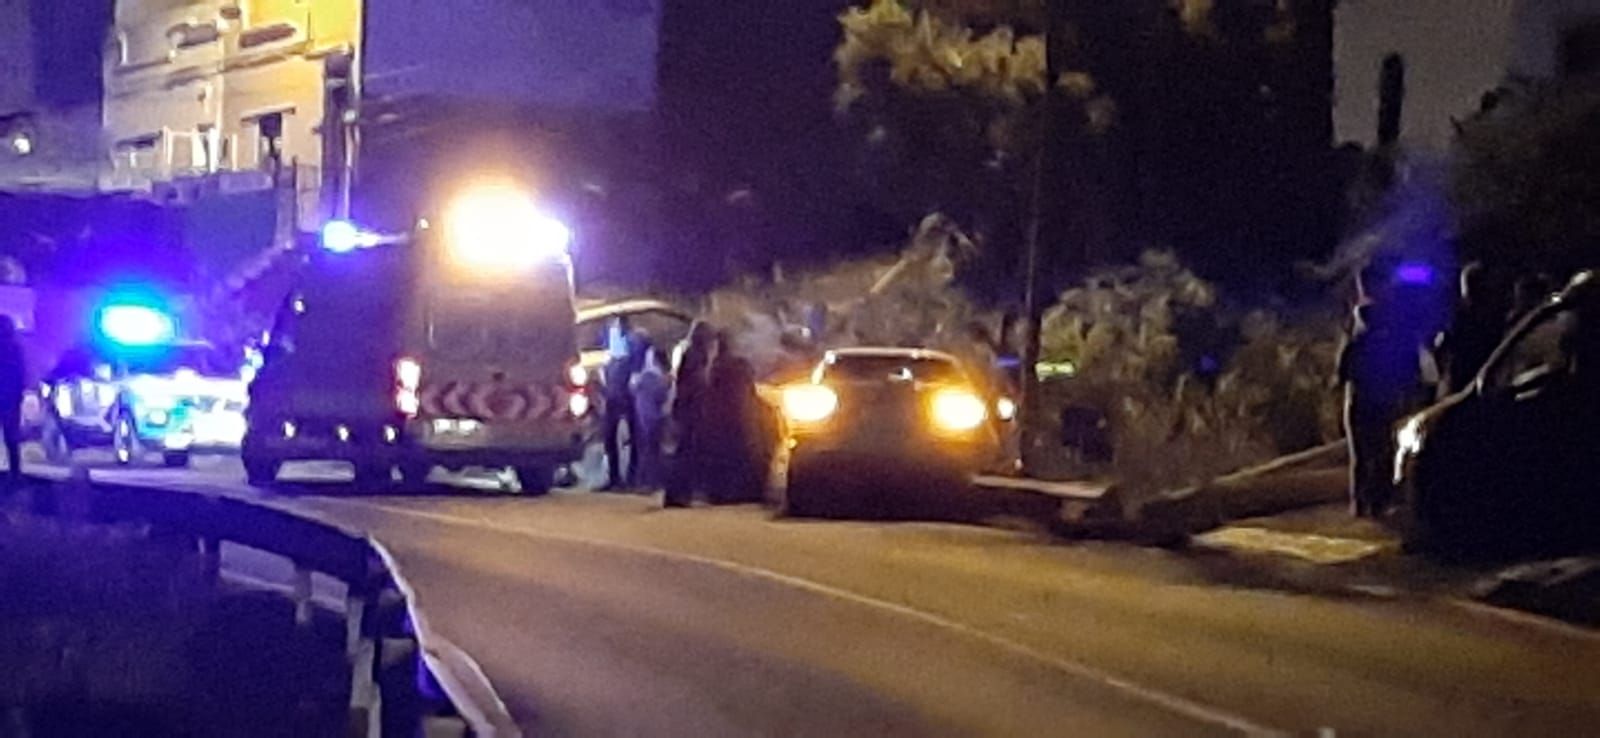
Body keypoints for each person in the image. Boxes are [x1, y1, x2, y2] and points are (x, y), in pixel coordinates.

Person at [1337, 260, 1432, 518]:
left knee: (1363, 453)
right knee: (1382, 450)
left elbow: (1343, 370)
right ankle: (1378, 502)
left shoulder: (1357, 328)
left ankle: (1361, 504)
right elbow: (1408, 362)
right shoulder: (1393, 323)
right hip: (1384, 395)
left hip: (1360, 397)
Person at [699, 332, 764, 504]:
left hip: (718, 419)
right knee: (736, 455)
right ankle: (737, 493)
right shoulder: (738, 365)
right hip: (736, 417)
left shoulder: (714, 367)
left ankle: (720, 493)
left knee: (722, 457)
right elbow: (749, 390)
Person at [1434, 262, 1509, 398]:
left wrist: (1444, 375)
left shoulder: (1460, 316)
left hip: (1458, 386)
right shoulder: (1498, 316)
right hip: (1491, 386)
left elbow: (1440, 345)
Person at [663, 321, 715, 508]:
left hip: (685, 408)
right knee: (686, 452)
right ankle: (679, 494)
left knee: (683, 452)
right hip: (690, 410)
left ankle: (678, 494)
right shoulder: (696, 356)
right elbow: (694, 385)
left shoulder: (690, 354)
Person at [630, 346, 672, 489]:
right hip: (653, 418)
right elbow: (662, 397)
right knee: (652, 450)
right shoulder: (655, 379)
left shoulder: (642, 377)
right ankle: (651, 482)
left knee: (646, 450)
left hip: (642, 417)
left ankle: (643, 481)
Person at [0, 316, 25, 485]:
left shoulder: (12, 348)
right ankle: (15, 471)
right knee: (11, 436)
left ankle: (15, 471)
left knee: (11, 436)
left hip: (9, 396)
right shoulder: (15, 348)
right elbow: (20, 374)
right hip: (11, 397)